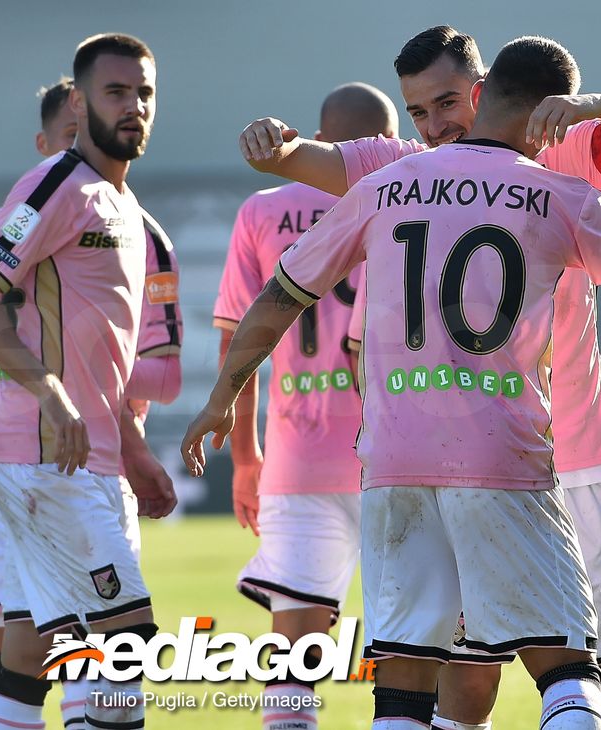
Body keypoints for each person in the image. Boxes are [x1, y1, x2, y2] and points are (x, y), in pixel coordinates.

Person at [183, 36, 601, 730]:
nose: (433, 124)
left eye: (445, 103)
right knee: (568, 669)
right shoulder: (561, 194)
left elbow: (280, 297)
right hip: (512, 458)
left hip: (404, 465)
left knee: (405, 687)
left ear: (479, 92)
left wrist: (222, 397)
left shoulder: (389, 184)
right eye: (419, 111)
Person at [0, 33, 176, 730]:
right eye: (116, 92)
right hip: (43, 460)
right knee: (124, 643)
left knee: (33, 653)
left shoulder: (126, 208)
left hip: (87, 459)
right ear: (78, 103)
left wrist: (132, 447)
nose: (133, 106)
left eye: (144, 93)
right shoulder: (55, 186)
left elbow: (102, 361)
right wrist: (45, 390)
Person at [213, 81, 396, 730]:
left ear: (319, 140)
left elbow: (238, 338)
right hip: (399, 457)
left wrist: (245, 458)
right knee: (414, 654)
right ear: (388, 143)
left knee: (294, 660)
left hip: (299, 460)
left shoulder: (264, 210)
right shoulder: (408, 195)